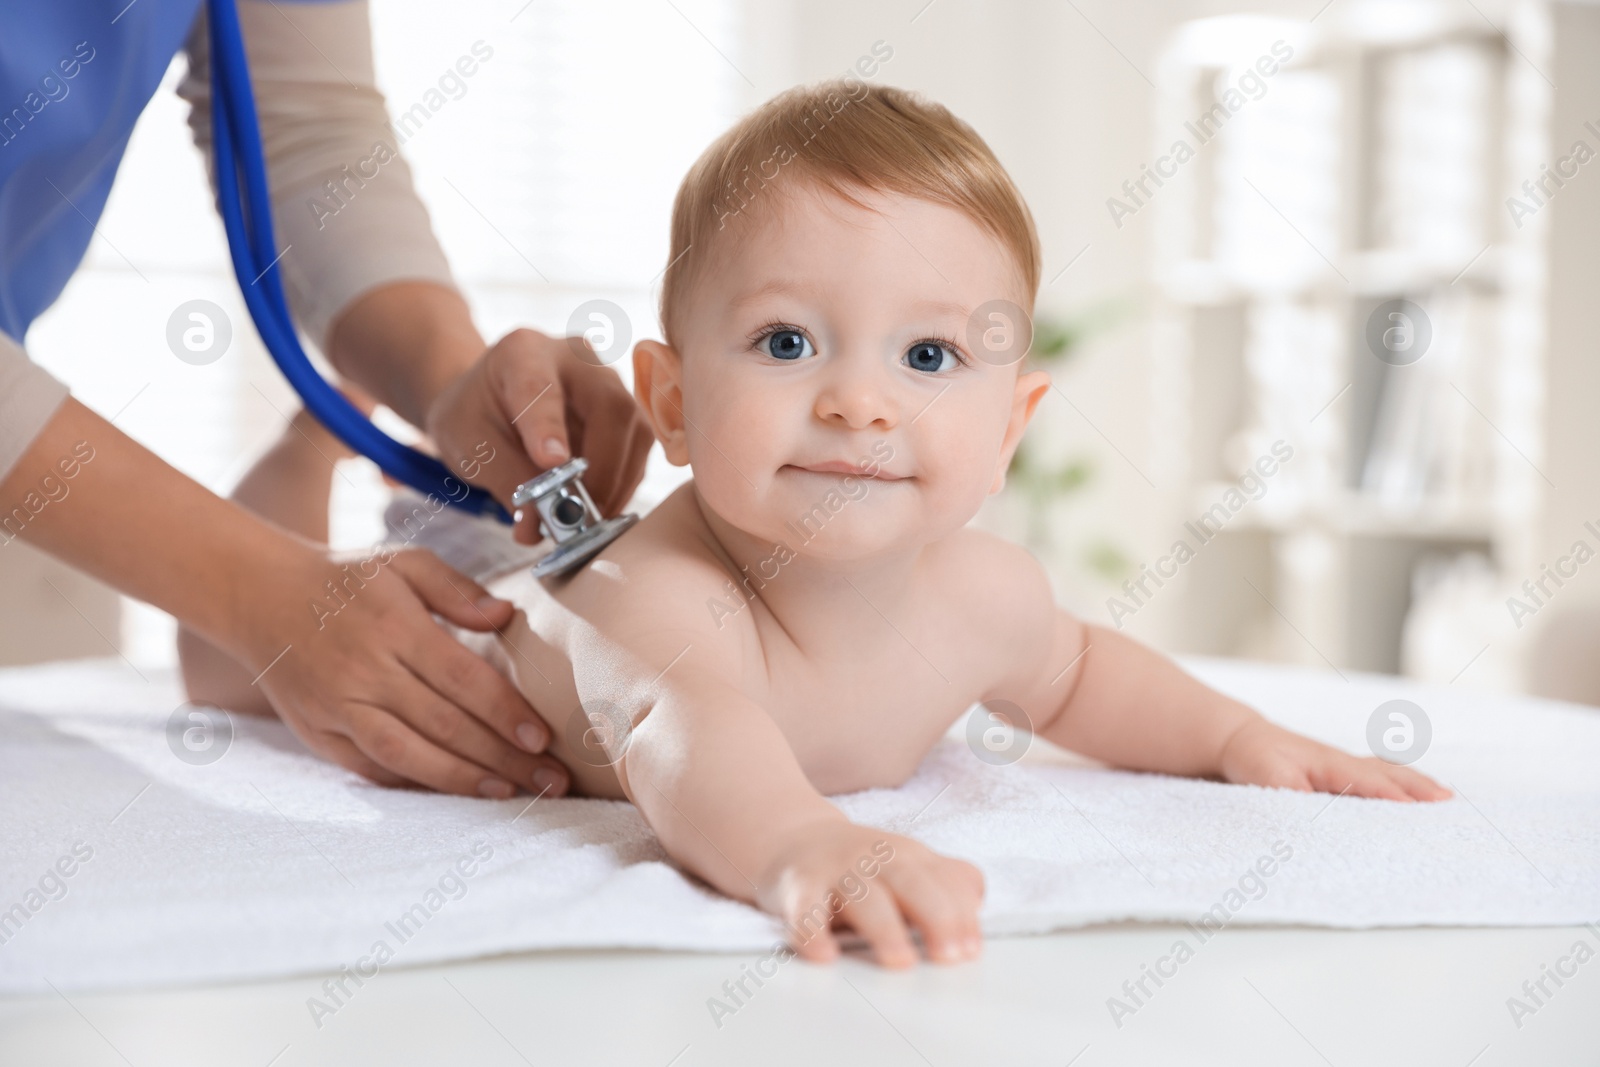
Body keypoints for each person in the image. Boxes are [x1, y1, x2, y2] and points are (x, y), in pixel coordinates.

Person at [412, 81, 1446, 967]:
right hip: (462, 618)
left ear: (1008, 428)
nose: (859, 401)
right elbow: (684, 732)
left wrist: (1235, 736)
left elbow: (1082, 676)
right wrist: (796, 841)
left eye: (927, 357)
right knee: (268, 652)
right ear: (672, 403)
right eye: (785, 341)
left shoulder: (982, 594)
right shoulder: (660, 597)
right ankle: (299, 461)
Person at [0, 1, 652, 798]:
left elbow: (308, 128)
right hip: (459, 580)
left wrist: (451, 380)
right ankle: (305, 450)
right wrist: (257, 589)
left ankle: (312, 447)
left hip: (458, 560)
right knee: (232, 655)